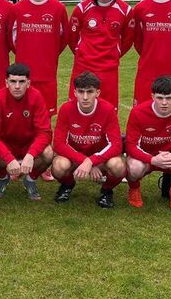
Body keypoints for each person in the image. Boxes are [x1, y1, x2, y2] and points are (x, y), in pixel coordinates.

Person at [125, 76, 171, 211]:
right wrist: (152, 159)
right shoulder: (138, 112)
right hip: (146, 157)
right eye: (160, 98)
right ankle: (134, 188)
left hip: (170, 155)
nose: (164, 103)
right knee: (134, 167)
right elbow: (130, 145)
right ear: (153, 96)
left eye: (169, 98)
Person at [51, 72, 125, 208]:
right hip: (75, 159)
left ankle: (106, 191)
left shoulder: (108, 109)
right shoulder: (66, 109)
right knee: (58, 166)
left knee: (118, 165)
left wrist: (92, 161)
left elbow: (116, 145)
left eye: (90, 92)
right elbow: (59, 144)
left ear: (98, 92)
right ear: (75, 92)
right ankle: (67, 185)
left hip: (100, 159)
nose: (85, 97)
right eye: (81, 92)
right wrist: (84, 161)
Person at [68, 0, 134, 112]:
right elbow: (71, 39)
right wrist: (82, 52)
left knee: (108, 111)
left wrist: (114, 54)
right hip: (83, 67)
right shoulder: (81, 9)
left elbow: (128, 40)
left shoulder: (126, 10)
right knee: (77, 110)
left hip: (109, 70)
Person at [0, 63, 53, 200]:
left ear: (28, 83)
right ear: (6, 82)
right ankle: (3, 177)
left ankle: (30, 179)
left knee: (48, 153)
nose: (17, 86)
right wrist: (8, 158)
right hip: (7, 147)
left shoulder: (36, 97)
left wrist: (30, 155)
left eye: (21, 82)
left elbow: (45, 132)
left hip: (29, 147)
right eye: (13, 81)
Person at [9, 0, 68, 117]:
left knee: (45, 116)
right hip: (23, 75)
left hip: (47, 72)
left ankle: (45, 142)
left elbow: (64, 39)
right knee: (23, 114)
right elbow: (12, 39)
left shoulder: (58, 8)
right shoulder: (18, 8)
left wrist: (50, 53)